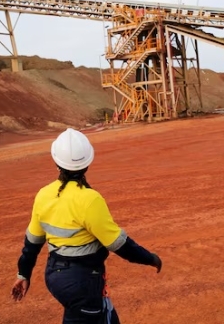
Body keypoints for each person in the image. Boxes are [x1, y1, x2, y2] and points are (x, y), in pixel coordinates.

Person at [11, 128, 162, 323]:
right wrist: (150, 258)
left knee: (106, 317)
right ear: (87, 163)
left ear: (57, 162)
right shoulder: (90, 199)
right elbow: (119, 244)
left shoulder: (44, 194)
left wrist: (23, 274)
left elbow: (31, 243)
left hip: (56, 276)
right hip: (81, 281)